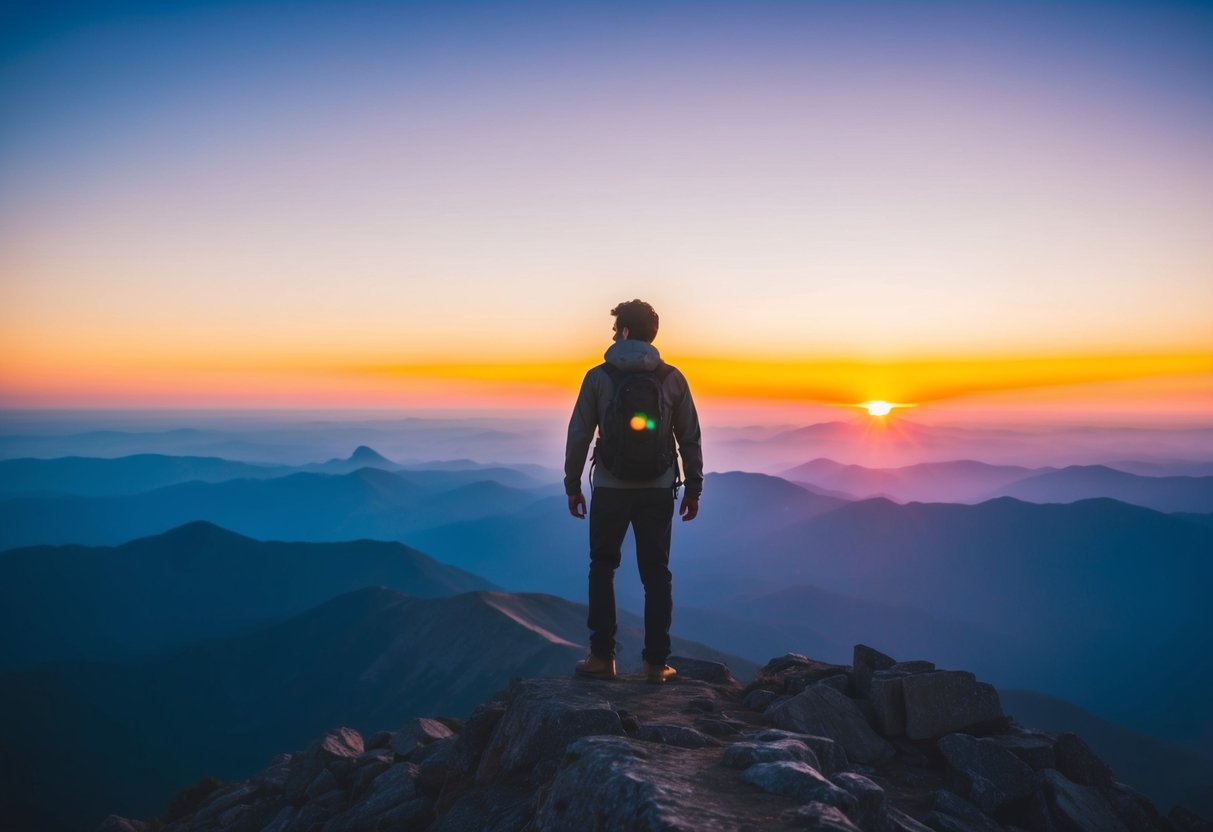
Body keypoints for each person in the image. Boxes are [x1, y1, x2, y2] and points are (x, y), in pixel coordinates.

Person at [564, 299, 703, 684]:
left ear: (625, 331)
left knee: (603, 566)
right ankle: (656, 664)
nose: (612, 334)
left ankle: (601, 657)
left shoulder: (598, 377)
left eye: (615, 328)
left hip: (610, 486)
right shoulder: (672, 378)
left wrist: (572, 484)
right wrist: (694, 486)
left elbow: (579, 434)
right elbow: (689, 436)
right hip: (658, 489)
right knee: (656, 573)